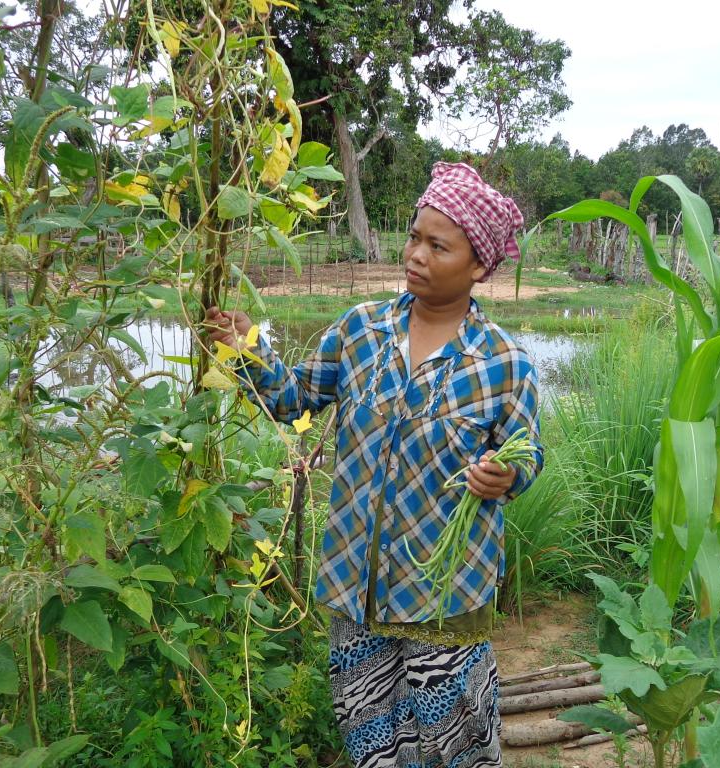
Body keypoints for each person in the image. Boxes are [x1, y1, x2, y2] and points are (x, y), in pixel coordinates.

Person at [205, 162, 543, 767]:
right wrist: (248, 347)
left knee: (455, 741)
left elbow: (527, 452)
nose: (415, 253)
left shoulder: (505, 362)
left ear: (479, 266)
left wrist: (506, 475)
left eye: (437, 245)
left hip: (444, 592)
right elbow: (292, 398)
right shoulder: (360, 331)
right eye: (414, 236)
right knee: (371, 738)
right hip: (356, 586)